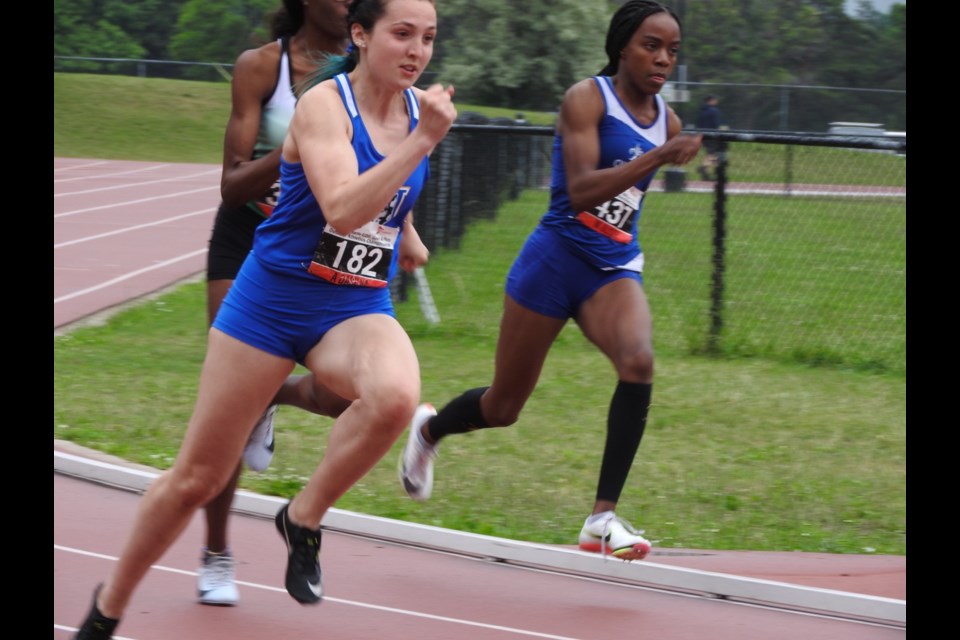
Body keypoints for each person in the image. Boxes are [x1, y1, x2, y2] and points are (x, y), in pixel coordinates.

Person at [75, 0, 454, 637]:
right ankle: (109, 605)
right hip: (273, 301)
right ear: (360, 35)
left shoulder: (418, 112)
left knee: (395, 399)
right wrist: (423, 142)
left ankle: (302, 519)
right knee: (198, 476)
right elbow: (339, 207)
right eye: (402, 34)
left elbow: (389, 192)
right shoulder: (323, 106)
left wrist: (406, 231)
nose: (417, 50)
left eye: (429, 38)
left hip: (355, 301)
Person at [399, 0, 701, 562]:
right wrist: (659, 155)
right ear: (622, 47)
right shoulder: (586, 99)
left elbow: (625, 202)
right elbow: (583, 191)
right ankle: (431, 432)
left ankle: (601, 517)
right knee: (504, 405)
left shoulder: (668, 119)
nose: (663, 60)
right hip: (554, 259)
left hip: (611, 265)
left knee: (639, 362)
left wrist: (664, 149)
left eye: (673, 51)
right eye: (651, 46)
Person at [197, 0, 352, 607]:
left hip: (317, 247)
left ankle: (271, 396)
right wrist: (295, 148)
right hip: (246, 240)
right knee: (224, 411)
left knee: (347, 391)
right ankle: (215, 553)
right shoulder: (263, 68)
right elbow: (232, 183)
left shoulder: (363, 72)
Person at [695, 95, 721, 180]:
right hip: (712, 135)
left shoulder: (701, 111)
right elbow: (715, 123)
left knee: (711, 154)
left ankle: (714, 172)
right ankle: (704, 168)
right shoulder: (714, 111)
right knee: (712, 153)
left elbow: (698, 123)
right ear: (711, 101)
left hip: (702, 134)